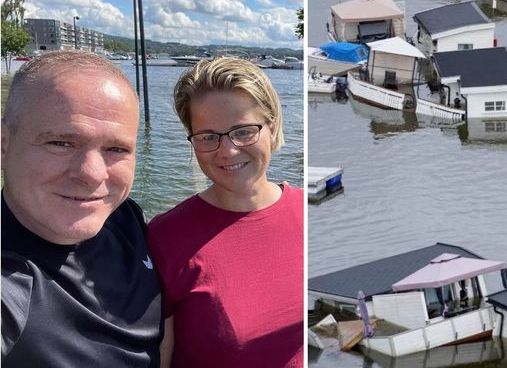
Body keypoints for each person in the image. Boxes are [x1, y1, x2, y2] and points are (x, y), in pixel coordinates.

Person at [1, 51, 163, 366]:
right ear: (4, 142)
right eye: (61, 143)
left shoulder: (127, 219)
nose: (92, 174)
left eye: (116, 149)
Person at [147, 58, 303, 367]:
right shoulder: (164, 238)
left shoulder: (306, 212)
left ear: (271, 128)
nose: (228, 150)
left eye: (243, 131)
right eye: (207, 136)